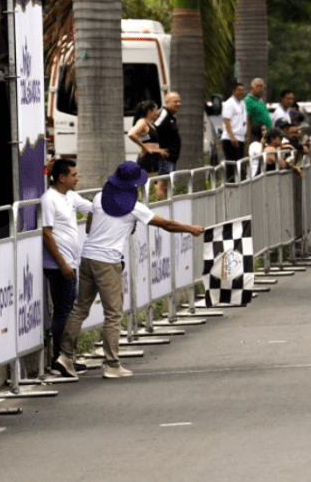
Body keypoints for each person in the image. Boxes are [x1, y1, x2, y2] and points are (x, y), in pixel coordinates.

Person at [53, 162, 203, 380]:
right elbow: (166, 224)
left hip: (87, 258)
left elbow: (90, 226)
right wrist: (191, 229)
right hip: (108, 262)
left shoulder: (99, 198)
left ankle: (65, 356)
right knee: (113, 314)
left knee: (80, 308)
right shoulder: (134, 207)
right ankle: (112, 364)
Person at [40, 159, 93, 374]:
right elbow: (46, 233)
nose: (77, 178)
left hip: (71, 262)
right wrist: (61, 263)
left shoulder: (71, 196)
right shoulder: (49, 199)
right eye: (73, 175)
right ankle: (59, 359)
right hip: (58, 265)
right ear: (62, 177)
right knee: (63, 311)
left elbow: (94, 208)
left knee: (70, 310)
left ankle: (67, 357)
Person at [126, 101, 166, 177]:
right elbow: (131, 134)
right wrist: (144, 147)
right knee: (149, 183)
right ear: (149, 111)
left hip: (154, 160)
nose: (157, 113)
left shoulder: (150, 124)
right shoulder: (142, 122)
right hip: (147, 160)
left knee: (156, 182)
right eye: (156, 110)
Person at [154, 92, 182, 201]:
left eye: (179, 101)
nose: (178, 104)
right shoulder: (164, 114)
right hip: (166, 158)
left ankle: (167, 206)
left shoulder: (170, 116)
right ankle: (160, 207)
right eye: (175, 101)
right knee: (162, 184)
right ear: (167, 102)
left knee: (168, 185)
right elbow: (152, 128)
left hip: (172, 158)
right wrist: (156, 149)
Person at [221, 83, 248, 178]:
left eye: (242, 90)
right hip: (230, 139)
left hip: (240, 138)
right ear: (234, 91)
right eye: (239, 90)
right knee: (232, 166)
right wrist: (232, 136)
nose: (241, 92)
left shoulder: (242, 103)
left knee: (239, 164)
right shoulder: (229, 103)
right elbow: (226, 120)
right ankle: (230, 183)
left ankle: (238, 182)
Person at [245, 78, 272, 144]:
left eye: (261, 86)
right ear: (252, 88)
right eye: (257, 86)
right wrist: (248, 138)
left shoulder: (260, 101)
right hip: (256, 136)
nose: (260, 88)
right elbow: (246, 119)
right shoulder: (248, 101)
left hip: (266, 134)